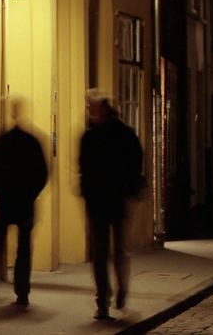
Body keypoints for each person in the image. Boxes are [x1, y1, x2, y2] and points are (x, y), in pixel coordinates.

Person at [79, 88, 144, 320]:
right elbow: (83, 169)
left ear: (104, 107)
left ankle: (121, 292)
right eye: (90, 108)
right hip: (98, 202)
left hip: (116, 199)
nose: (92, 111)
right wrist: (86, 192)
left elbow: (136, 162)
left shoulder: (123, 134)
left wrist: (127, 188)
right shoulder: (90, 136)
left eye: (94, 107)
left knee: (118, 252)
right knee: (100, 254)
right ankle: (103, 301)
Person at [0, 96, 48, 306]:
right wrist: (31, 193)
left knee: (1, 242)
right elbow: (42, 173)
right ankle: (21, 290)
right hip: (24, 202)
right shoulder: (31, 141)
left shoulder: (2, 140)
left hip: (7, 201)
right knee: (23, 248)